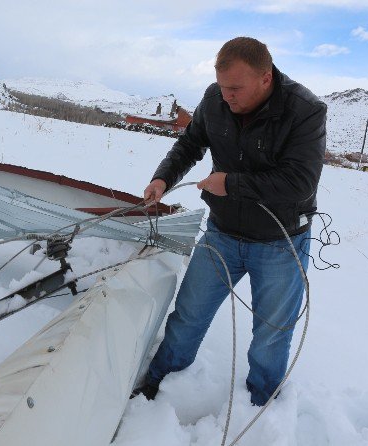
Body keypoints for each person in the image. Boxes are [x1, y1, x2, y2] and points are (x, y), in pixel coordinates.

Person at [136, 37, 326, 406]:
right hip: (222, 234)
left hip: (280, 243)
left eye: (235, 89)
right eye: (222, 88)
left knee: (271, 333)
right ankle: (161, 381)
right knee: (189, 314)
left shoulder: (305, 111)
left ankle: (260, 401)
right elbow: (190, 144)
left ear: (266, 79)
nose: (227, 97)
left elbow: (299, 182)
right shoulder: (215, 99)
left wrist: (231, 183)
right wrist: (164, 178)